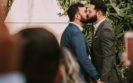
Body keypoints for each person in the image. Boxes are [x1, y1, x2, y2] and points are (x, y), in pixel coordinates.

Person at [60, 3, 102, 83]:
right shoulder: (75, 32)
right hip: (78, 78)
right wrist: (97, 78)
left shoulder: (68, 30)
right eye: (85, 11)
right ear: (77, 16)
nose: (87, 14)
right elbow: (83, 58)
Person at [87, 0, 119, 83]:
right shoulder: (98, 28)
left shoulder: (105, 29)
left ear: (99, 13)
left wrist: (103, 80)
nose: (87, 14)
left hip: (107, 79)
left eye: (90, 11)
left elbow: (108, 57)